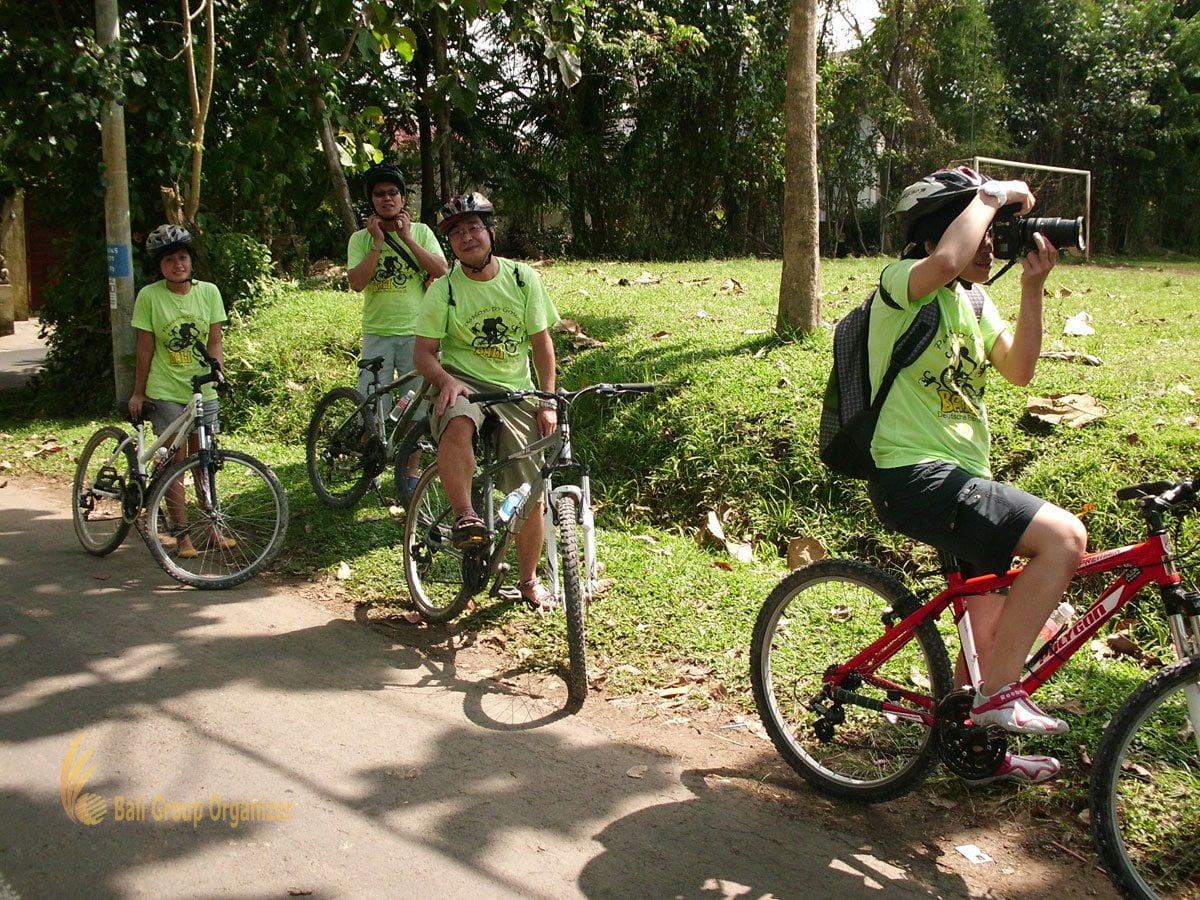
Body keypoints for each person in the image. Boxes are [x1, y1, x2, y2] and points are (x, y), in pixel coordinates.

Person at [867, 166, 1087, 786]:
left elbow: (1020, 370)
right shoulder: (900, 284)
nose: (994, 244)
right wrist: (992, 194)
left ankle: (978, 755)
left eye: (997, 233)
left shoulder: (973, 301)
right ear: (939, 232)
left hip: (963, 477)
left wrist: (1034, 287)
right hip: (913, 475)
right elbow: (946, 261)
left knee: (986, 643)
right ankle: (1000, 697)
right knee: (1064, 538)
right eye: (986, 231)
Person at [413, 192, 560, 612]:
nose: (466, 238)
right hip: (464, 382)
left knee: (529, 491)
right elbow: (423, 353)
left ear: (491, 232)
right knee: (457, 419)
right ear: (450, 244)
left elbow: (541, 345)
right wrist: (445, 380)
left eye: (474, 228)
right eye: (456, 233)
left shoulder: (522, 279)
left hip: (515, 391)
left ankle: (528, 580)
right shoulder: (444, 289)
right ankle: (466, 517)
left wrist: (547, 399)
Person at [128, 224, 230, 558]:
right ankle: (182, 534)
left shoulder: (209, 292)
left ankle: (213, 525)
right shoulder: (149, 296)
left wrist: (218, 374)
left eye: (183, 257)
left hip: (203, 391)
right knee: (176, 462)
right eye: (169, 260)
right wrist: (138, 393)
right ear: (159, 265)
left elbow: (215, 340)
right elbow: (145, 348)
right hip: (166, 390)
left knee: (205, 461)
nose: (178, 265)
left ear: (191, 260)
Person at [346, 163, 448, 408]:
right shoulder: (360, 239)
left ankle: (410, 435)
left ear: (403, 198)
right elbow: (357, 283)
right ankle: (372, 434)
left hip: (417, 333)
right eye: (379, 194)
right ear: (372, 201)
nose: (387, 198)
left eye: (393, 192)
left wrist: (407, 239)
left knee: (417, 406)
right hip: (377, 332)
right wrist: (377, 243)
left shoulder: (421, 232)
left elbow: (442, 270)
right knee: (372, 404)